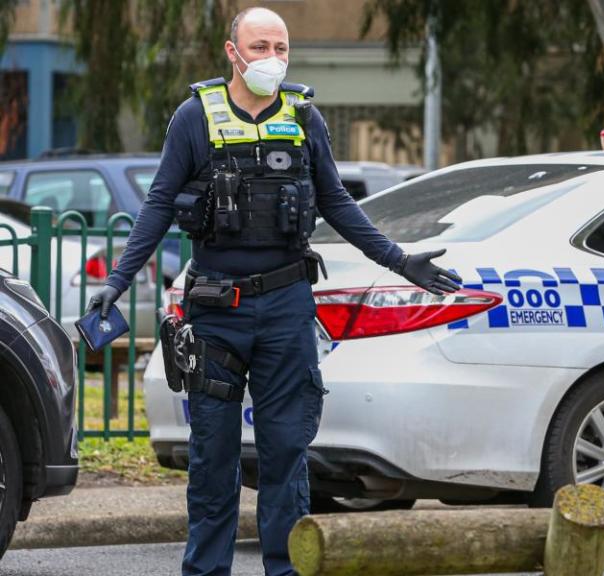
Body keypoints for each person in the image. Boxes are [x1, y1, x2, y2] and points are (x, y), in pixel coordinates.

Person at [85, 7, 460, 576]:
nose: (272, 59)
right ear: (232, 52)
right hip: (215, 309)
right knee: (213, 458)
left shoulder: (304, 117)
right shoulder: (194, 117)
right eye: (259, 47)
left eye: (280, 47)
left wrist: (401, 261)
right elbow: (159, 205)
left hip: (286, 307)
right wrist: (116, 282)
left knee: (287, 454)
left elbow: (336, 202)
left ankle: (286, 569)